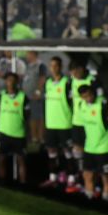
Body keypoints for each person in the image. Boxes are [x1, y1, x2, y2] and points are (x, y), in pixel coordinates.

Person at [77, 83, 108, 202]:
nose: (88, 98)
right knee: (87, 175)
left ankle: (106, 201)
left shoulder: (104, 104)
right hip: (89, 147)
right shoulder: (81, 105)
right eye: (85, 96)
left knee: (106, 177)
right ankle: (89, 198)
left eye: (89, 95)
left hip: (105, 148)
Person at [40, 56, 74, 189]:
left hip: (64, 124)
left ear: (61, 67)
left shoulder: (67, 83)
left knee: (68, 152)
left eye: (56, 66)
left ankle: (71, 178)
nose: (54, 68)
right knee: (52, 151)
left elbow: (72, 103)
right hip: (51, 124)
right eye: (52, 65)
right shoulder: (48, 83)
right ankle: (53, 177)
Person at [67, 60, 96, 194]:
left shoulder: (92, 81)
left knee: (90, 154)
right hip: (77, 122)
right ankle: (79, 181)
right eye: (73, 71)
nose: (75, 73)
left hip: (90, 124)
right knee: (78, 153)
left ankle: (94, 185)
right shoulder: (71, 81)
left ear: (82, 69)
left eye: (77, 70)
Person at [0, 72, 28, 184]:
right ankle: (2, 184)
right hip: (4, 133)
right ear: (6, 82)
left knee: (21, 160)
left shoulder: (23, 97)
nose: (10, 82)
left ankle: (23, 185)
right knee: (2, 159)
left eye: (13, 80)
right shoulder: (0, 96)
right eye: (8, 80)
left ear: (17, 82)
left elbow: (27, 114)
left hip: (18, 134)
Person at [21, 51, 47, 145]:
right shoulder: (28, 66)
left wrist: (38, 91)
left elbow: (42, 78)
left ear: (33, 54)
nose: (26, 55)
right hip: (27, 96)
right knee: (31, 117)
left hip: (35, 96)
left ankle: (40, 137)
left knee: (38, 117)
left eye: (28, 54)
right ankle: (33, 137)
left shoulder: (40, 65)